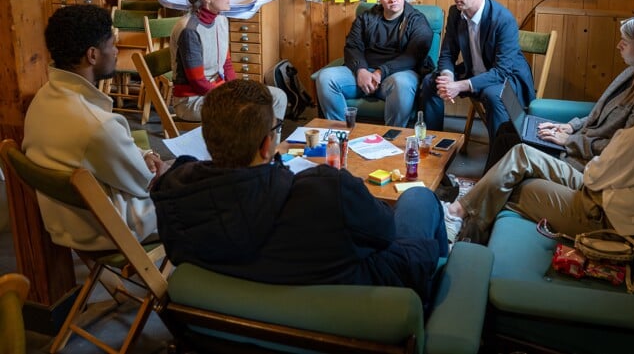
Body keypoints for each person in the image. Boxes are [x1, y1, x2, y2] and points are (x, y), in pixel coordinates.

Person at [151, 80, 449, 302]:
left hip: (229, 323)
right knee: (419, 198)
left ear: (207, 138)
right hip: (360, 304)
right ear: (268, 144)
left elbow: (185, 171)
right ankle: (431, 308)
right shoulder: (327, 190)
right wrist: (348, 189)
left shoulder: (176, 196)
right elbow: (385, 233)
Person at [444, 45, 634, 244]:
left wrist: (590, 157)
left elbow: (593, 178)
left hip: (602, 215)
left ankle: (469, 238)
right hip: (603, 192)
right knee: (521, 153)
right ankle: (459, 212)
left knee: (514, 189)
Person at [22, 4, 164, 250]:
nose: (117, 51)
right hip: (108, 229)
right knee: (205, 193)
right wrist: (161, 167)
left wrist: (145, 154)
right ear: (92, 55)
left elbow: (106, 154)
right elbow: (144, 183)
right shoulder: (98, 125)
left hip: (63, 222)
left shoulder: (42, 99)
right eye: (112, 44)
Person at [484, 12, 634, 172]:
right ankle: (481, 192)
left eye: (625, 42)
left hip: (583, 156)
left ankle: (482, 196)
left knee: (508, 140)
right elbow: (599, 113)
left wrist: (569, 140)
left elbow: (618, 148)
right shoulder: (630, 73)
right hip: (578, 137)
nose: (618, 46)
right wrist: (571, 126)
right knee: (506, 128)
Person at [421, 0, 535, 145]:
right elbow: (447, 54)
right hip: (473, 71)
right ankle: (433, 144)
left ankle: (497, 163)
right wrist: (448, 78)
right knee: (430, 82)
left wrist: (460, 86)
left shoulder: (503, 19)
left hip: (505, 79)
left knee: (493, 95)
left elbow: (502, 71)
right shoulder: (455, 13)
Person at [170, 0, 287, 127]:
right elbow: (198, 82)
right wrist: (234, 95)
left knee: (279, 96)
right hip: (192, 101)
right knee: (248, 109)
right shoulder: (189, 30)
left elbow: (227, 65)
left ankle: (268, 148)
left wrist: (237, 89)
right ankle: (249, 149)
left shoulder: (221, 20)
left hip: (218, 90)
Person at [315, 0, 434, 127]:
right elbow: (353, 46)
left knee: (402, 83)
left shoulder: (417, 21)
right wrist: (361, 70)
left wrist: (381, 72)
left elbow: (412, 57)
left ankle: (391, 137)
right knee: (326, 77)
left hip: (398, 74)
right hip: (365, 72)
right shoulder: (366, 18)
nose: (393, 0)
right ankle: (342, 134)